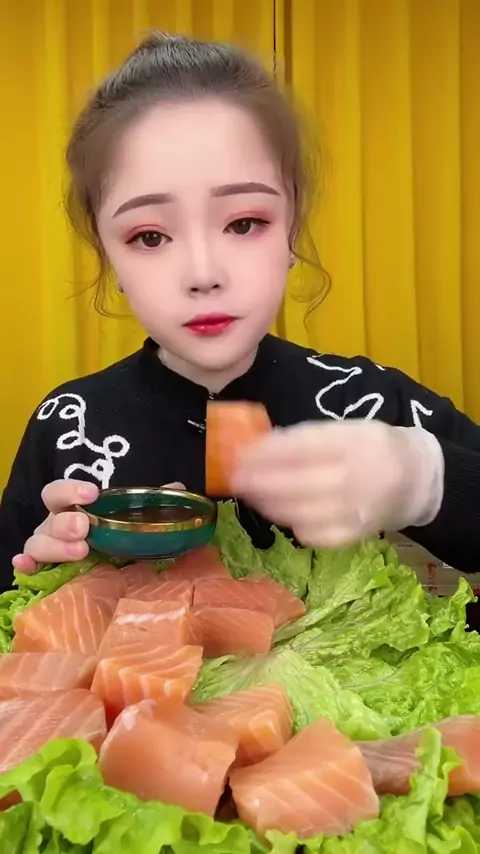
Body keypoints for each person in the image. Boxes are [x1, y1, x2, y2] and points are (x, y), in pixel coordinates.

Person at [1, 31, 480, 594]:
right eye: (150, 236)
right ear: (109, 257)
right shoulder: (68, 424)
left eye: (244, 223)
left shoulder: (366, 401)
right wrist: (43, 584)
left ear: (292, 230)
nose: (204, 273)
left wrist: (423, 479)